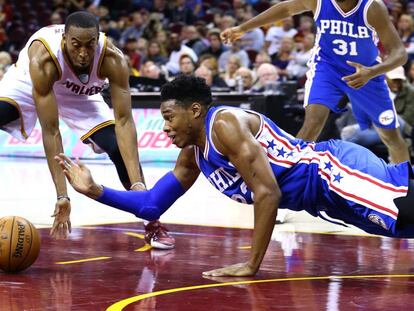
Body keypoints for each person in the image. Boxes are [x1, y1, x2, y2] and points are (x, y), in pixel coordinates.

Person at [56, 75, 414, 277]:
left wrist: (251, 265)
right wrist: (95, 190)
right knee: (402, 226)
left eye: (169, 117)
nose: (164, 127)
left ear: (195, 111)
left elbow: (268, 193)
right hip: (321, 198)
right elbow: (152, 205)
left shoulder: (224, 125)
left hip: (333, 172)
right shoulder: (192, 155)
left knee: (405, 209)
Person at [0, 11, 174, 249]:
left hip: (78, 95)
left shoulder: (112, 59)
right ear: (64, 41)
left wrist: (138, 187)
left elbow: (124, 121)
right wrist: (62, 195)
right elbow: (51, 131)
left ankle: (151, 221)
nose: (83, 53)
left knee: (118, 147)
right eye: (76, 45)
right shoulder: (43, 59)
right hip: (28, 83)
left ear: (97, 40)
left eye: (89, 45)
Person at [220, 0, 410, 164]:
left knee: (390, 135)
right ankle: (288, 176)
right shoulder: (319, 2)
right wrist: (242, 28)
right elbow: (287, 9)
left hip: (366, 72)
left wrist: (372, 72)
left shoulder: (372, 7)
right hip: (328, 69)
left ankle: (404, 189)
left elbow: (399, 53)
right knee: (312, 124)